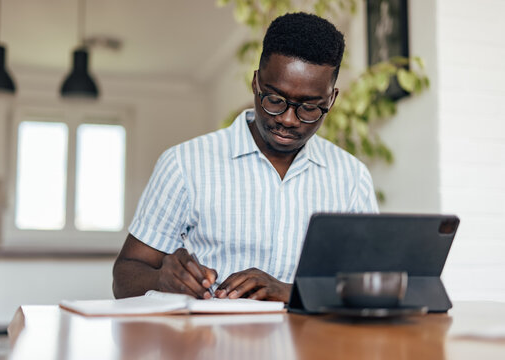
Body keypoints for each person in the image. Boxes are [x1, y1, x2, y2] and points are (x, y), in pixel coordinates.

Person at [113, 12, 378, 303]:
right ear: (256, 83)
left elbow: (371, 285)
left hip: (311, 347)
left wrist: (290, 293)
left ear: (331, 99)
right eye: (275, 100)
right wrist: (162, 279)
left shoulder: (351, 177)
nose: (289, 120)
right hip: (210, 344)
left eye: (309, 108)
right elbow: (125, 275)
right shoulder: (185, 163)